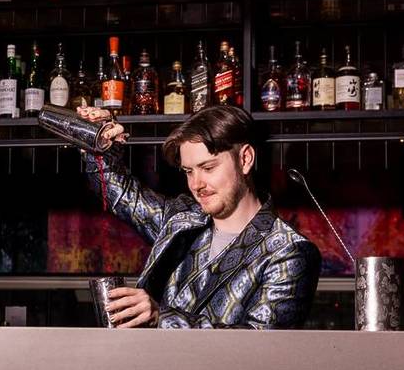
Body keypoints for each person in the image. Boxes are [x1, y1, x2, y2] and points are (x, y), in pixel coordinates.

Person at [79, 104, 321, 329]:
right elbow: (120, 194)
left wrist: (160, 318)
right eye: (188, 171)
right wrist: (100, 144)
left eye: (208, 168)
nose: (197, 185)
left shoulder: (289, 251)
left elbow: (260, 347)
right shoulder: (180, 219)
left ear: (245, 159)